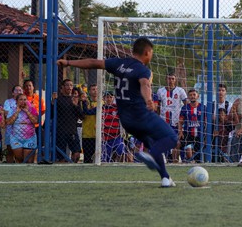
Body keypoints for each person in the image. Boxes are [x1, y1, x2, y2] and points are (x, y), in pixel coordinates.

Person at [57, 37, 179, 187]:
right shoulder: (142, 69)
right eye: (151, 53)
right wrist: (148, 100)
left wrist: (68, 63)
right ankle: (150, 154)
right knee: (172, 138)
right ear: (147, 52)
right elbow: (145, 84)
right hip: (141, 115)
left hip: (126, 121)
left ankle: (165, 178)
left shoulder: (118, 63)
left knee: (151, 141)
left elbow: (93, 63)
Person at [155, 72, 187, 163]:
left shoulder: (180, 90)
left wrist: (182, 119)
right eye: (169, 78)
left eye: (172, 78)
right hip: (164, 121)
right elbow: (158, 106)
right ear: (166, 79)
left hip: (176, 121)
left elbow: (186, 105)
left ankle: (175, 161)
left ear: (175, 79)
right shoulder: (160, 91)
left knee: (176, 142)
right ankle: (165, 159)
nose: (171, 80)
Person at [54, 79, 84, 163]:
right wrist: (53, 101)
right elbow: (52, 114)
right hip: (61, 131)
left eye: (71, 85)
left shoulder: (75, 99)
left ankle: (72, 167)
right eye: (67, 85)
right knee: (61, 157)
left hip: (72, 131)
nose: (69, 87)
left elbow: (81, 116)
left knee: (77, 154)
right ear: (62, 87)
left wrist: (76, 106)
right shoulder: (58, 99)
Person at [5, 93, 39, 163]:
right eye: (21, 100)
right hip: (16, 138)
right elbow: (9, 122)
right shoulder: (12, 110)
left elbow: (35, 121)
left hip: (30, 138)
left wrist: (27, 111)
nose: (23, 101)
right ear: (16, 101)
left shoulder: (32, 109)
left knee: (29, 160)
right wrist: (17, 112)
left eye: (25, 99)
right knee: (19, 159)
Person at [178, 89, 205, 163]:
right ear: (188, 97)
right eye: (190, 95)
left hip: (200, 134)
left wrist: (206, 134)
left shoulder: (203, 107)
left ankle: (198, 162)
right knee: (181, 145)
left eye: (194, 95)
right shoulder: (185, 108)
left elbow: (206, 122)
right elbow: (180, 122)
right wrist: (180, 132)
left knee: (199, 156)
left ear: (198, 96)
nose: (192, 96)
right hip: (188, 134)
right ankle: (176, 162)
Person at [23, 79, 46, 162]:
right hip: (25, 127)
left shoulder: (38, 98)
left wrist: (35, 118)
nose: (28, 87)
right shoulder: (22, 98)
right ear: (23, 88)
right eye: (26, 86)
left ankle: (42, 160)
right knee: (28, 147)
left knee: (41, 144)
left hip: (37, 126)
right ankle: (28, 161)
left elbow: (43, 111)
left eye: (30, 85)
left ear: (33, 87)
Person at [101, 91, 125, 162]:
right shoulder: (101, 108)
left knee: (121, 151)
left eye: (110, 97)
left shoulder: (117, 107)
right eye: (107, 97)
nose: (108, 99)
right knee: (106, 158)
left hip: (117, 137)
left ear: (113, 98)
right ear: (103, 98)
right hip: (105, 138)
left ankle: (119, 166)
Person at [3, 85, 25, 163]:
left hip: (22, 131)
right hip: (10, 130)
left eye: (20, 90)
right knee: (10, 150)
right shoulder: (8, 102)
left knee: (20, 152)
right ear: (13, 93)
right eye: (16, 90)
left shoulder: (25, 101)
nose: (19, 92)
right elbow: (7, 115)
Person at [80, 84, 98, 163]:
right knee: (87, 157)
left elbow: (88, 112)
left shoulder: (102, 103)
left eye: (97, 89)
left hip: (98, 135)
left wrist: (84, 102)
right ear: (89, 92)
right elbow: (81, 115)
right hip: (87, 134)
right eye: (93, 89)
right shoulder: (84, 103)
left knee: (99, 157)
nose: (95, 91)